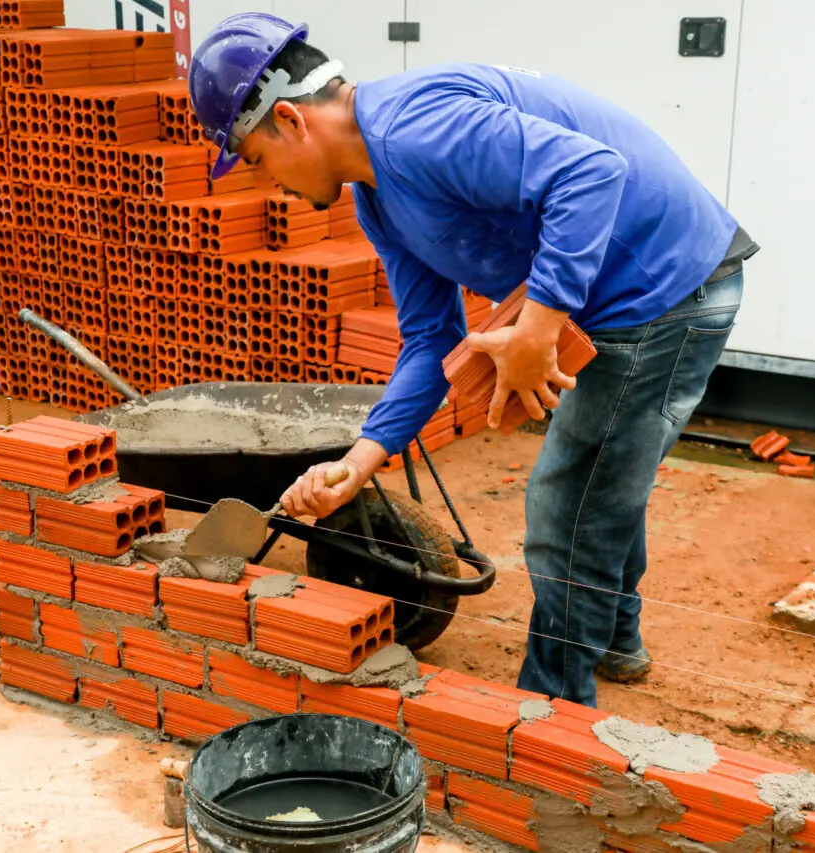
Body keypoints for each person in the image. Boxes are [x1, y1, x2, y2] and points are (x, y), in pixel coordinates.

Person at [187, 13, 757, 708]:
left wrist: (537, 327)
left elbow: (591, 172)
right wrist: (359, 460)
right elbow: (431, 339)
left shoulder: (413, 129)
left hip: (665, 286)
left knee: (567, 503)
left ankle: (550, 714)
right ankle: (613, 640)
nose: (269, 181)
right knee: (604, 473)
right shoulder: (378, 199)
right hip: (625, 293)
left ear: (290, 119)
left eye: (256, 159)